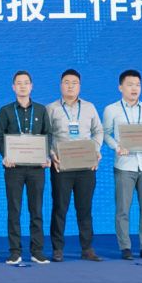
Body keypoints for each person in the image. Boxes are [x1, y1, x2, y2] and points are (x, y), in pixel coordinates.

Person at [102, 69, 142, 260]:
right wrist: (116, 147)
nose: (134, 88)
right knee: (123, 210)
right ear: (120, 87)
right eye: (130, 84)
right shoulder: (111, 109)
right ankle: (125, 247)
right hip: (124, 165)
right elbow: (105, 134)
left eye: (137, 85)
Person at [46, 69, 103, 262]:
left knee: (84, 208)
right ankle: (57, 249)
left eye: (74, 83)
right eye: (66, 82)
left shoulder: (89, 107)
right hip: (61, 166)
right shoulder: (51, 108)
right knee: (59, 208)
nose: (70, 86)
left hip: (86, 166)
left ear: (80, 86)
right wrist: (51, 154)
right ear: (60, 85)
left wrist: (95, 150)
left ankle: (87, 248)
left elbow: (98, 131)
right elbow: (46, 135)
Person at [0, 71, 51, 264]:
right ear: (13, 87)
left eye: (26, 83)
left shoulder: (41, 110)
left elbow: (47, 134)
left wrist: (46, 156)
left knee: (36, 210)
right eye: (19, 83)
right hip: (14, 168)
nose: (22, 86)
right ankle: (15, 251)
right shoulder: (6, 111)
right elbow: (0, 136)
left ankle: (37, 251)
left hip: (36, 168)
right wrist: (6, 156)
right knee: (14, 210)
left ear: (31, 86)